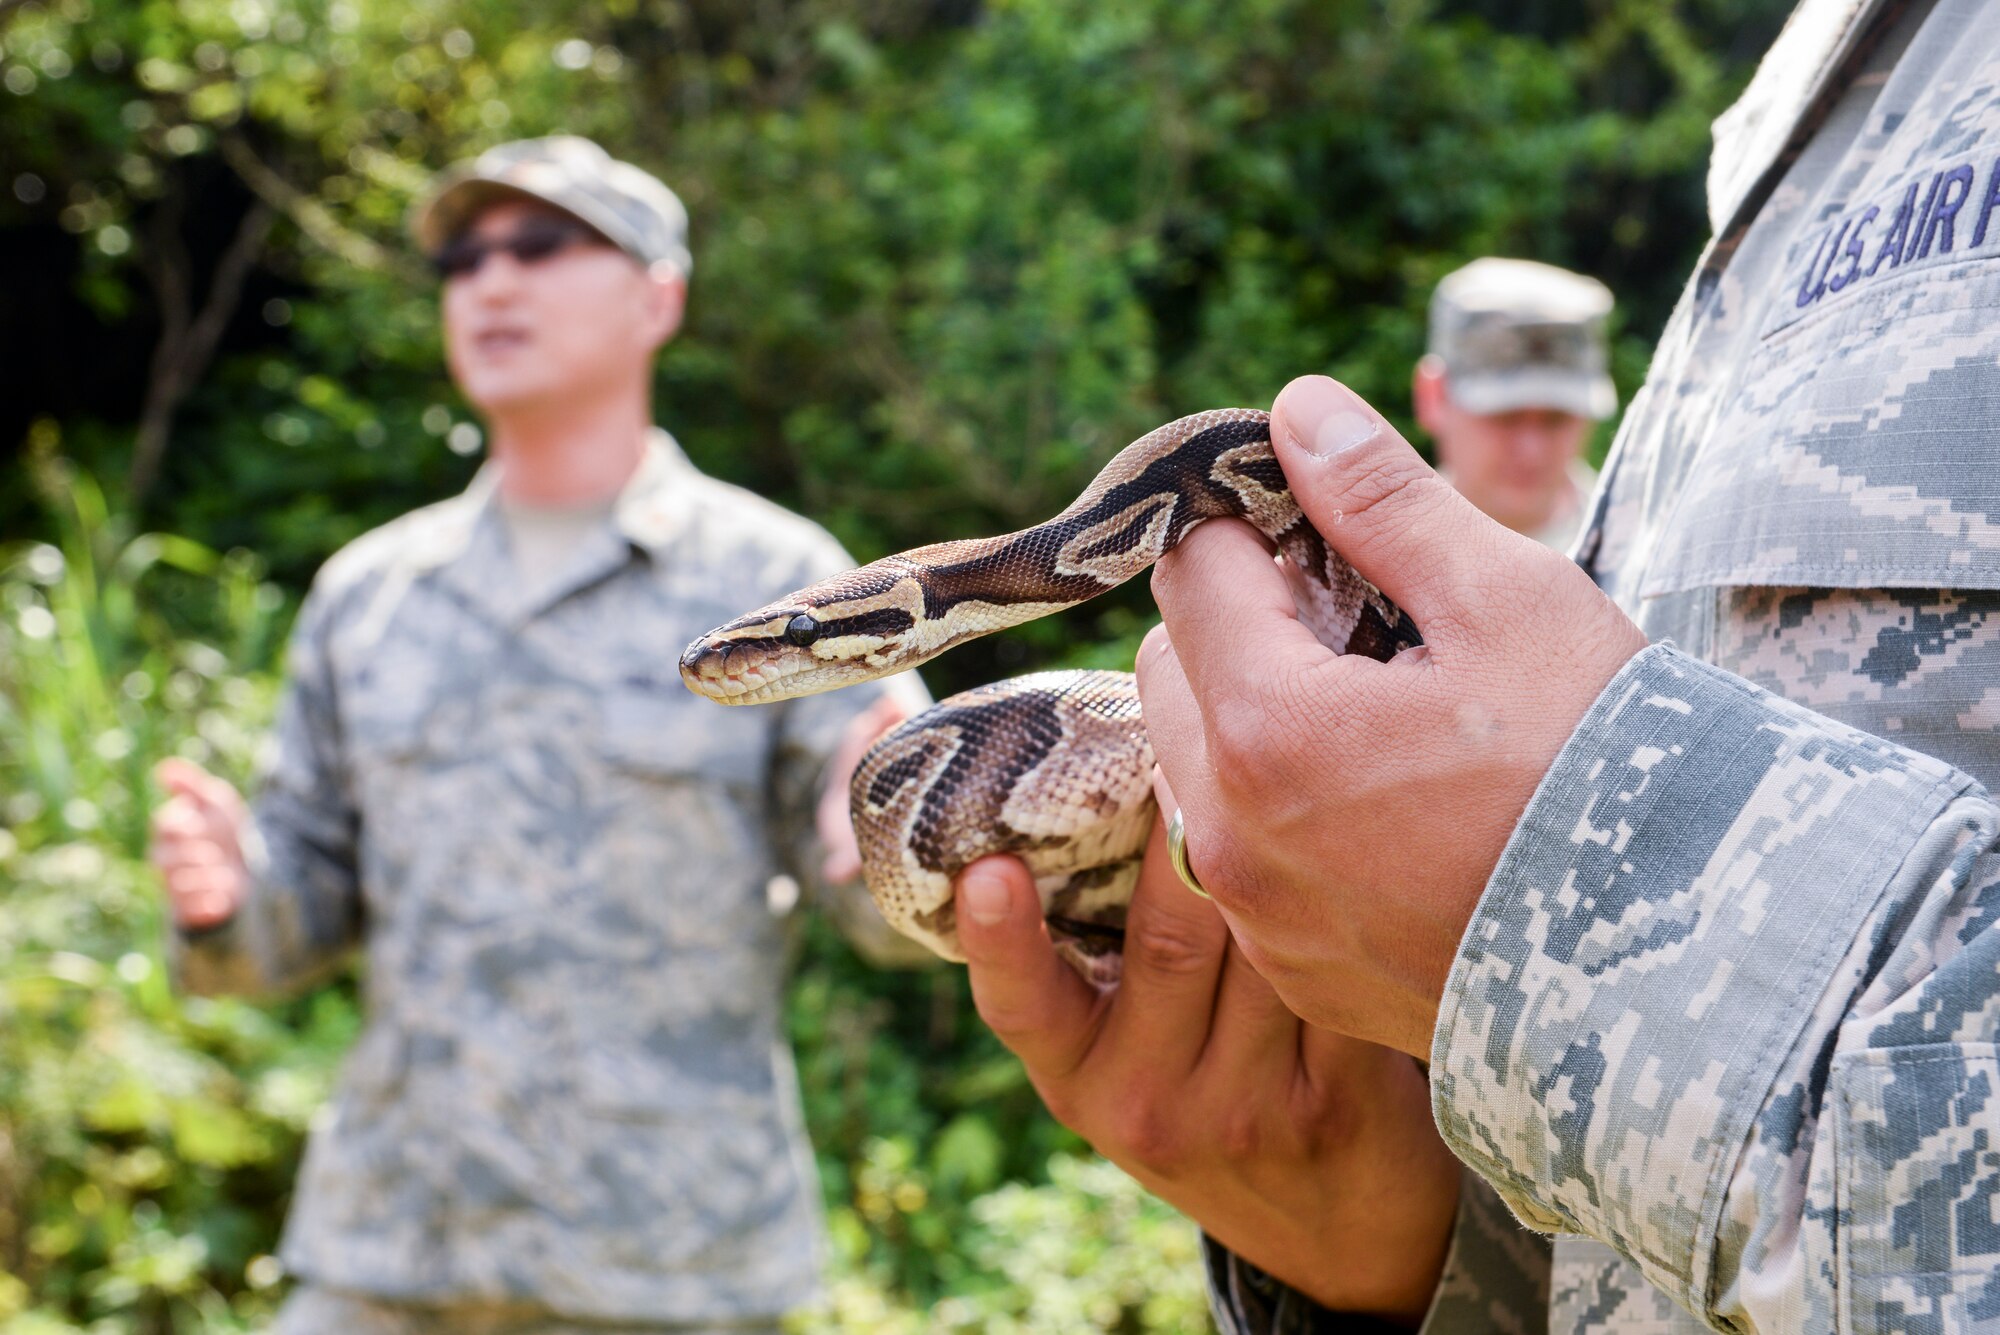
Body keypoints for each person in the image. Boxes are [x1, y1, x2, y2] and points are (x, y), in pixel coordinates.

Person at [952, 0, 2000, 1330]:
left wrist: (1574, 939)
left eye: (1557, 413)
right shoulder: (1819, 71)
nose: (1527, 445)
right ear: (1437, 399)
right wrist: (1425, 1246)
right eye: (1501, 410)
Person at [147, 136, 928, 1335]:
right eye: (463, 260)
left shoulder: (784, 586)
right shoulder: (370, 593)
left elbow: (894, 919)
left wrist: (888, 845)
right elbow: (287, 930)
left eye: (544, 245)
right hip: (389, 1255)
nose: (491, 283)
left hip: (670, 1264)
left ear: (658, 294)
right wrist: (222, 902)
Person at [1413, 257, 1616, 552]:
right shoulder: (1371, 555)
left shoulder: (1649, 556)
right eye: (1505, 417)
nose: (1531, 451)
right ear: (1433, 397)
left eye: (1556, 419)